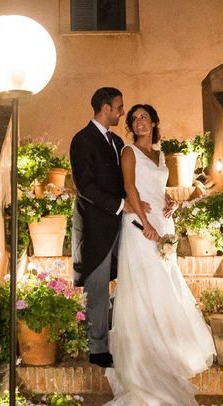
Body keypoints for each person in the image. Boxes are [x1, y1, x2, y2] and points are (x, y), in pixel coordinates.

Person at [105, 104, 216, 405]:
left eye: (144, 117)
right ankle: (146, 359)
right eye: (134, 119)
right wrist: (147, 222)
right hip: (141, 225)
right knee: (146, 284)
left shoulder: (161, 154)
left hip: (164, 223)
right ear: (131, 126)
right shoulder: (128, 152)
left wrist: (169, 199)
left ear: (154, 121)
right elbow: (130, 187)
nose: (139, 122)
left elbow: (157, 184)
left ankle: (166, 349)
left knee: (166, 283)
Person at [70, 87, 145, 368]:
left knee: (129, 279)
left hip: (122, 224)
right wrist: (119, 205)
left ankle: (119, 331)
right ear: (105, 108)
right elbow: (85, 186)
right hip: (96, 226)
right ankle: (98, 348)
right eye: (119, 107)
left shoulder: (115, 141)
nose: (122, 112)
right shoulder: (82, 140)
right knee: (98, 286)